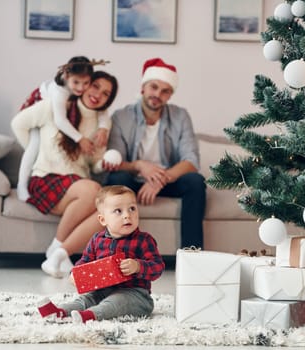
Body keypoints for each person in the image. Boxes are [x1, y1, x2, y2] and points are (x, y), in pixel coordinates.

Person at [11, 71, 119, 278]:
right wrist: (35, 150)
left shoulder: (101, 124)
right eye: (95, 86)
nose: (98, 94)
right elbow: (18, 124)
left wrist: (103, 164)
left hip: (75, 186)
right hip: (45, 179)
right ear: (84, 84)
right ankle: (55, 249)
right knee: (93, 190)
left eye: (106, 94)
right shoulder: (55, 106)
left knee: (109, 211)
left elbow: (93, 163)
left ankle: (60, 253)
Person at [105, 57, 206, 248]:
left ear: (170, 95)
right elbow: (115, 161)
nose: (157, 94)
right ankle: (116, 251)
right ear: (143, 88)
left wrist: (160, 179)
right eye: (154, 87)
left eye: (165, 91)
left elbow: (191, 161)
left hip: (167, 180)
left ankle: (192, 255)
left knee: (196, 181)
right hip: (133, 180)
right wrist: (140, 166)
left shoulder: (180, 116)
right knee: (116, 179)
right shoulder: (121, 116)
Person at [37, 185, 165, 323]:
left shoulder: (144, 240)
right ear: (103, 220)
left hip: (135, 295)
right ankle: (59, 312)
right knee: (85, 299)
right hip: (101, 291)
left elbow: (158, 267)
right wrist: (75, 274)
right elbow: (84, 261)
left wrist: (138, 266)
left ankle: (89, 316)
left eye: (132, 209)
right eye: (118, 211)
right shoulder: (97, 240)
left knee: (115, 302)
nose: (127, 215)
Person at [19, 56, 111, 156]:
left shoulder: (80, 87)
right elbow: (60, 120)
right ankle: (27, 170)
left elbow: (101, 108)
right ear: (66, 76)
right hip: (36, 111)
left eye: (86, 83)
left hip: (55, 114)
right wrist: (80, 139)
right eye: (76, 82)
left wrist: (103, 128)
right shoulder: (60, 92)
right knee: (35, 146)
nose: (81, 88)